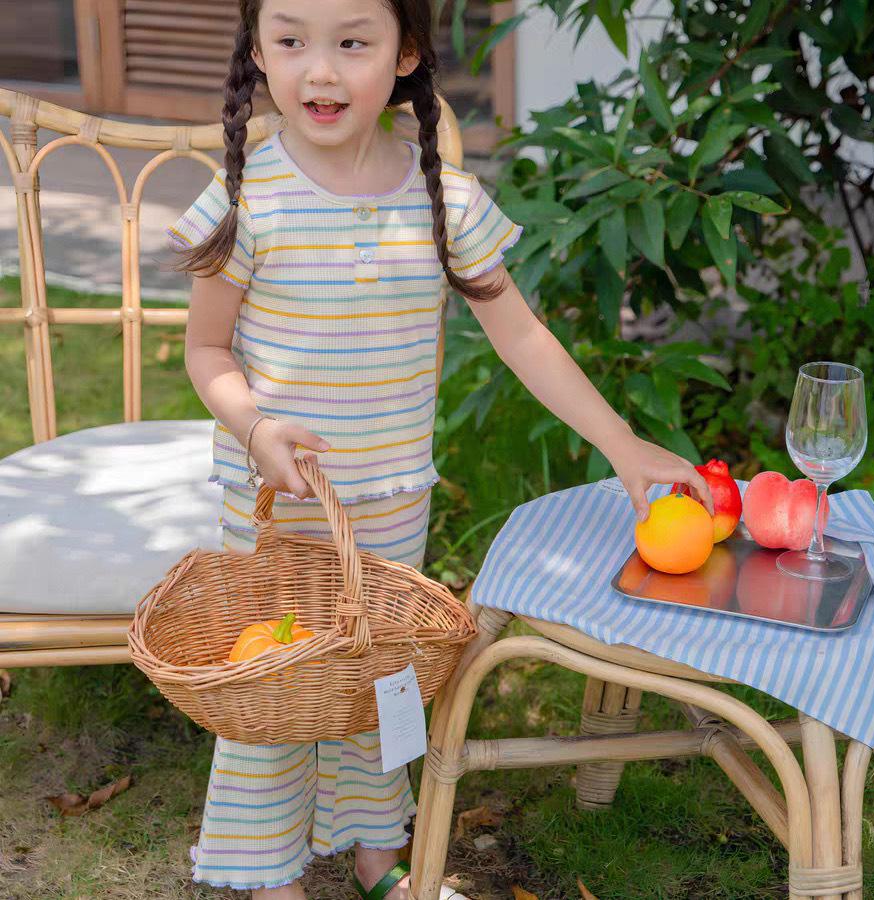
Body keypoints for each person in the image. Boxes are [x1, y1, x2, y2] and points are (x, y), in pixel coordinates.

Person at [166, 1, 715, 897]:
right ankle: (270, 871)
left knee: (382, 684)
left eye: (353, 43)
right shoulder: (246, 195)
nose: (320, 71)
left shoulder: (443, 199)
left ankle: (383, 856)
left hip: (390, 504)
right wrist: (258, 428)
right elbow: (205, 350)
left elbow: (523, 337)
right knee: (277, 680)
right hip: (278, 506)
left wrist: (623, 444)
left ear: (406, 51)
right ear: (259, 52)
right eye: (292, 41)